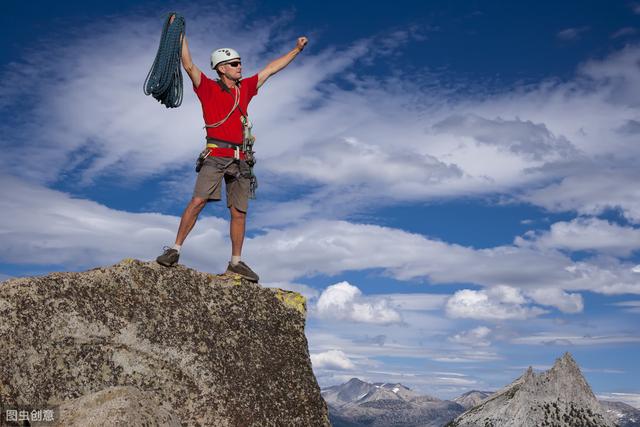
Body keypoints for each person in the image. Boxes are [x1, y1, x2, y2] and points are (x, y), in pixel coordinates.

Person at [156, 15, 308, 282]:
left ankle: (236, 262)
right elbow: (188, 64)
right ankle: (175, 250)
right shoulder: (207, 89)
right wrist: (178, 32)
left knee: (239, 212)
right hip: (216, 156)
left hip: (241, 160)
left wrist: (295, 50)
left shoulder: (245, 89)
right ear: (222, 68)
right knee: (198, 201)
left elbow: (271, 69)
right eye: (235, 64)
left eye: (240, 63)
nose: (240, 67)